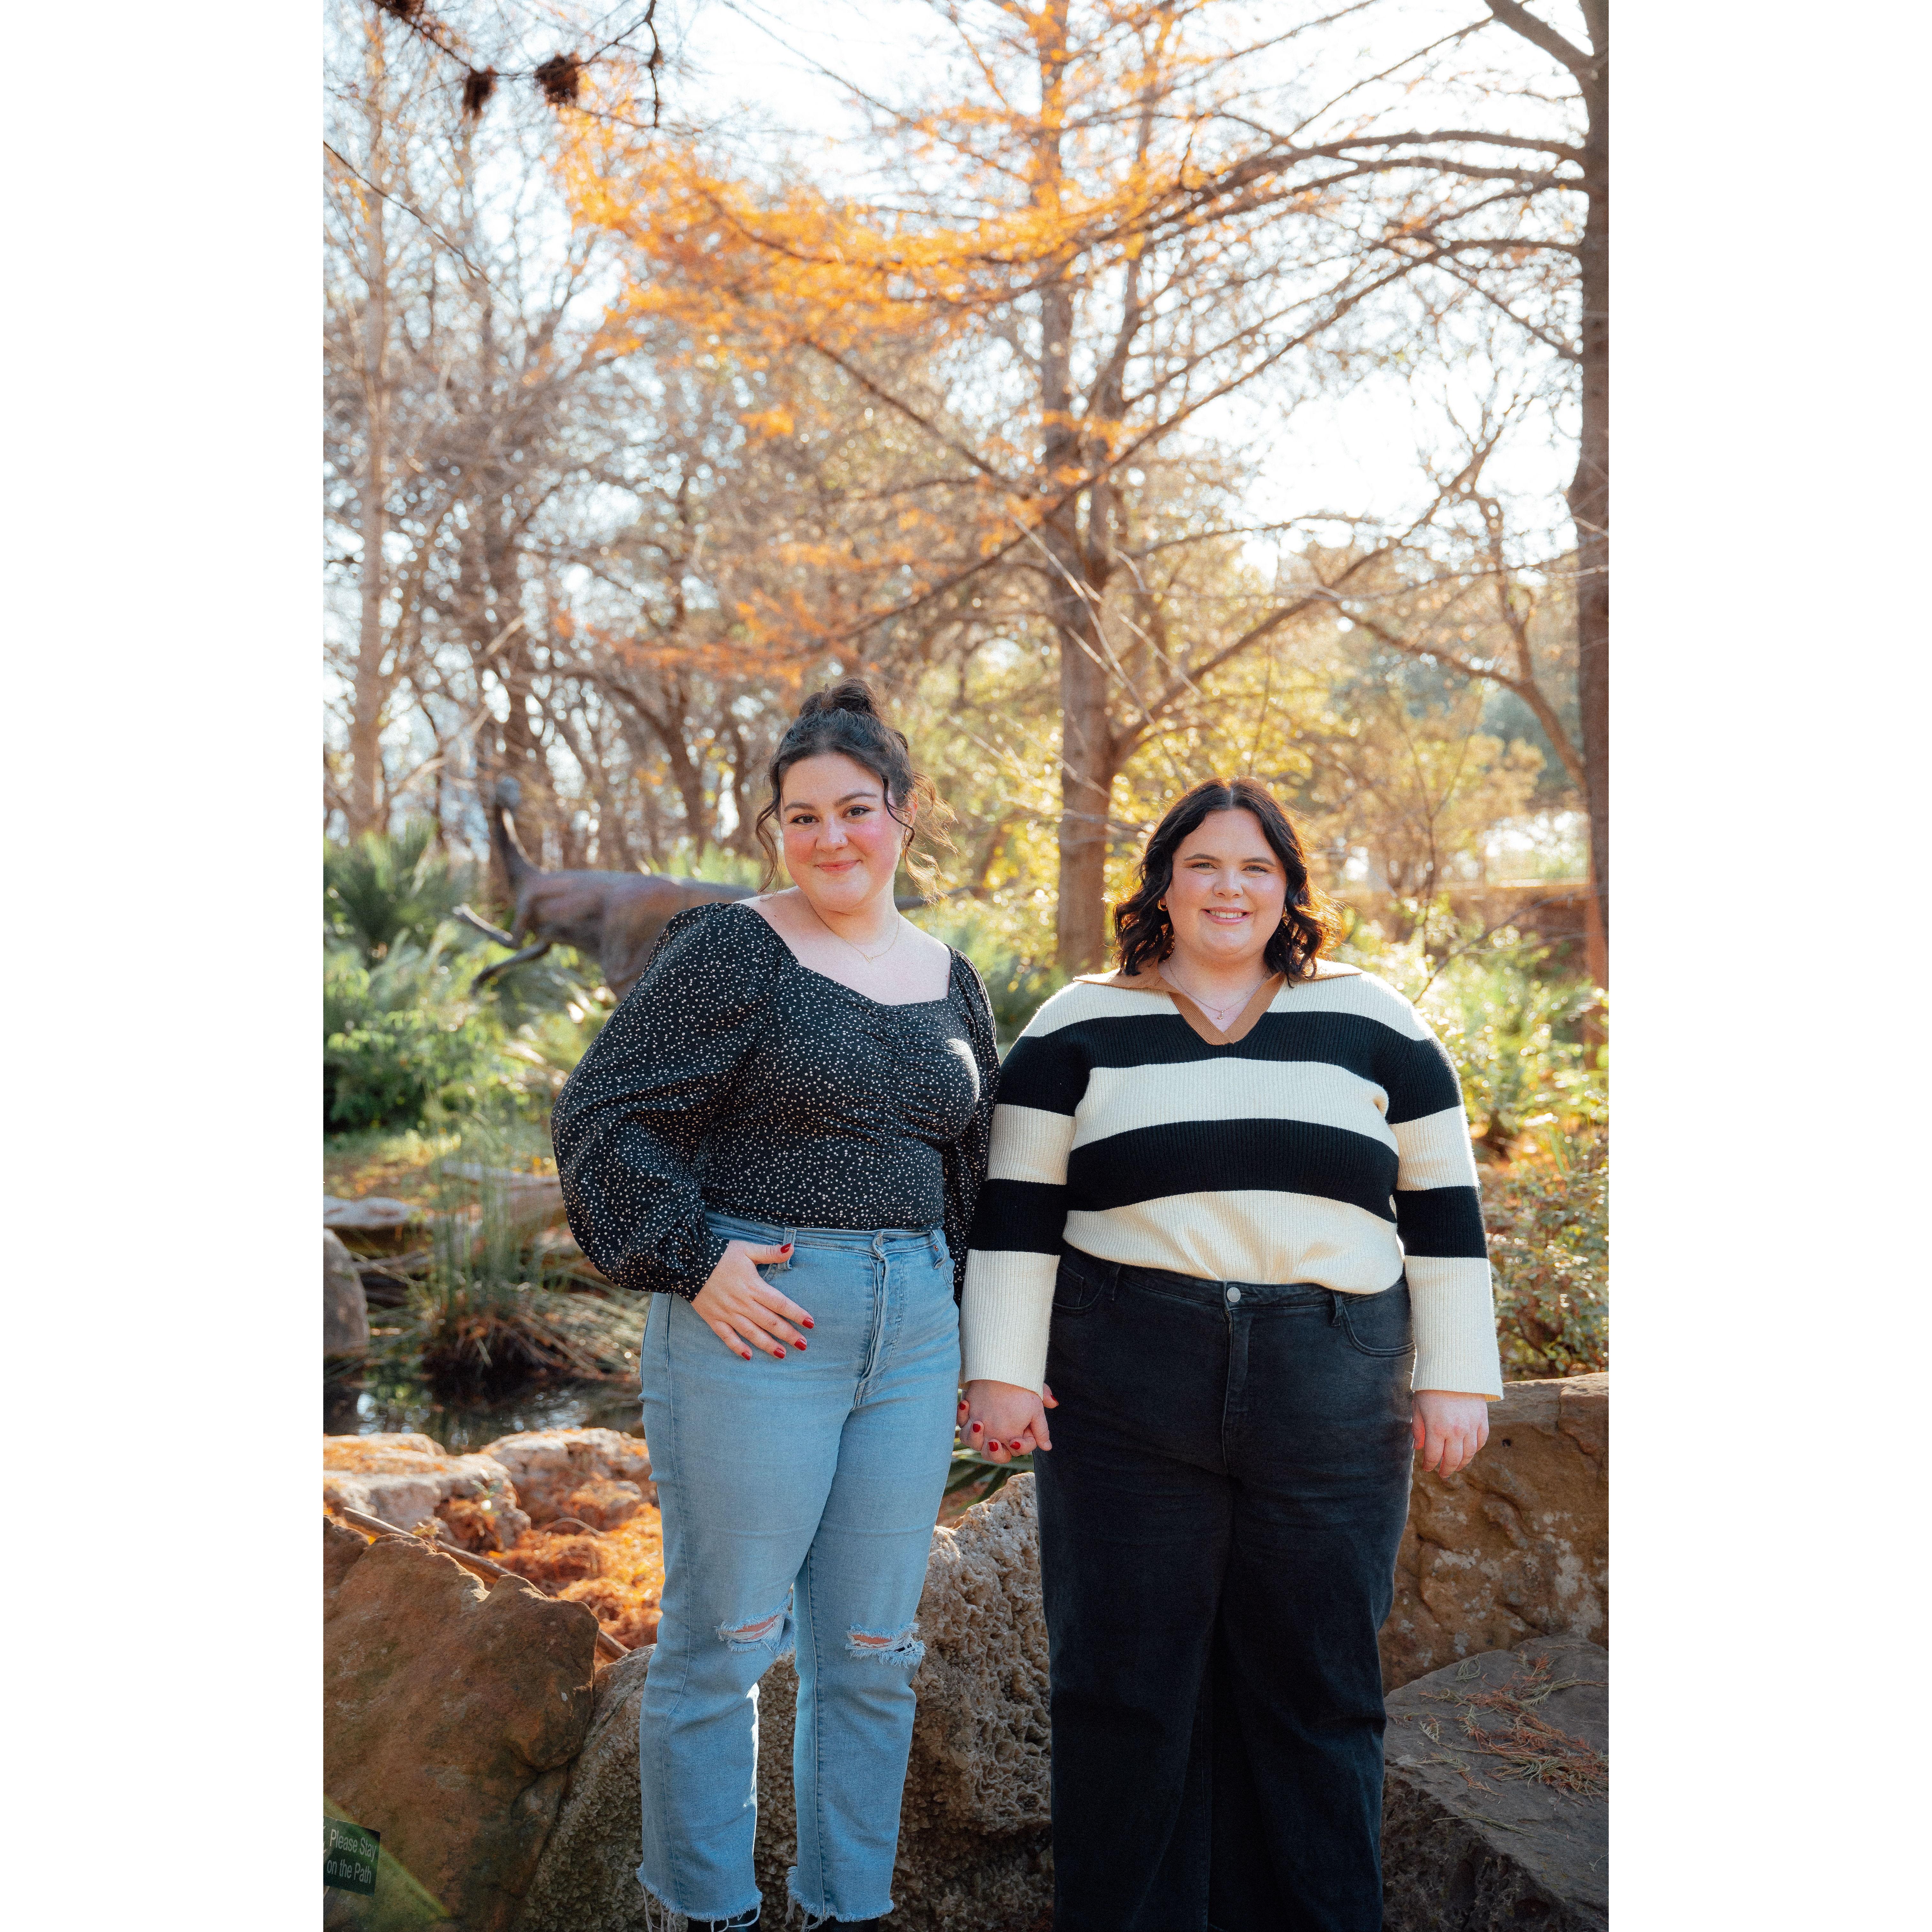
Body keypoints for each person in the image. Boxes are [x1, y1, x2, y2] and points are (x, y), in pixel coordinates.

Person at [960, 776, 1503, 1932]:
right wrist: (1000, 1366)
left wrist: (1456, 1374)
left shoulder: (1376, 1020)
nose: (1229, 888)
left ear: (1289, 889)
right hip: (1125, 1383)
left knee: (1318, 1685)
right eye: (1203, 864)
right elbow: (1016, 1207)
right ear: (1162, 884)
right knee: (1122, 1687)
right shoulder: (1076, 1024)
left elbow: (1445, 1206)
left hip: (1332, 1382)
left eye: (1257, 868)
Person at [553, 681, 1000, 1932]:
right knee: (727, 1643)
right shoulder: (732, 949)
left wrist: (980, 1340)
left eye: (855, 809)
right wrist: (695, 1258)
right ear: (776, 831)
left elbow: (974, 1171)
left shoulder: (952, 978)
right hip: (760, 1330)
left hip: (914, 1333)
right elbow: (602, 1114)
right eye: (802, 817)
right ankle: (708, 1914)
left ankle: (846, 1911)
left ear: (904, 812)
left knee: (871, 1655)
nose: (830, 838)